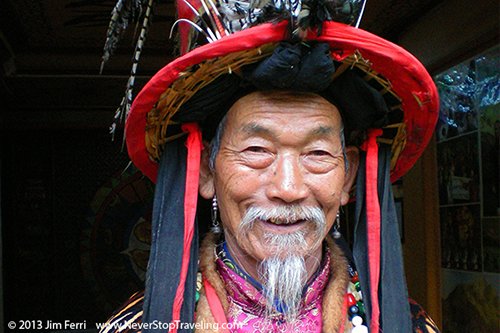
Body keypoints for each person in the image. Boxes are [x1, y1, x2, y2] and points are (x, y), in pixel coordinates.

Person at [99, 0, 441, 332]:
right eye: (257, 150)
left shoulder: (405, 324)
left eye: (317, 154)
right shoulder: (139, 326)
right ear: (206, 170)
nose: (288, 189)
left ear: (348, 175)